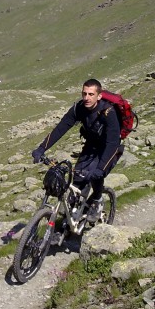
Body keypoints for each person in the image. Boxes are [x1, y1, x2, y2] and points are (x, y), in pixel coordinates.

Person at [31, 78, 123, 222]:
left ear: (99, 96)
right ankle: (65, 227)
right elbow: (60, 128)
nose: (87, 98)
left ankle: (97, 201)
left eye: (91, 94)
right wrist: (41, 148)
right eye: (84, 94)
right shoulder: (78, 108)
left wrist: (101, 168)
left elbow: (112, 143)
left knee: (95, 175)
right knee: (78, 181)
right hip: (91, 146)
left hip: (109, 148)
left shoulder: (108, 112)